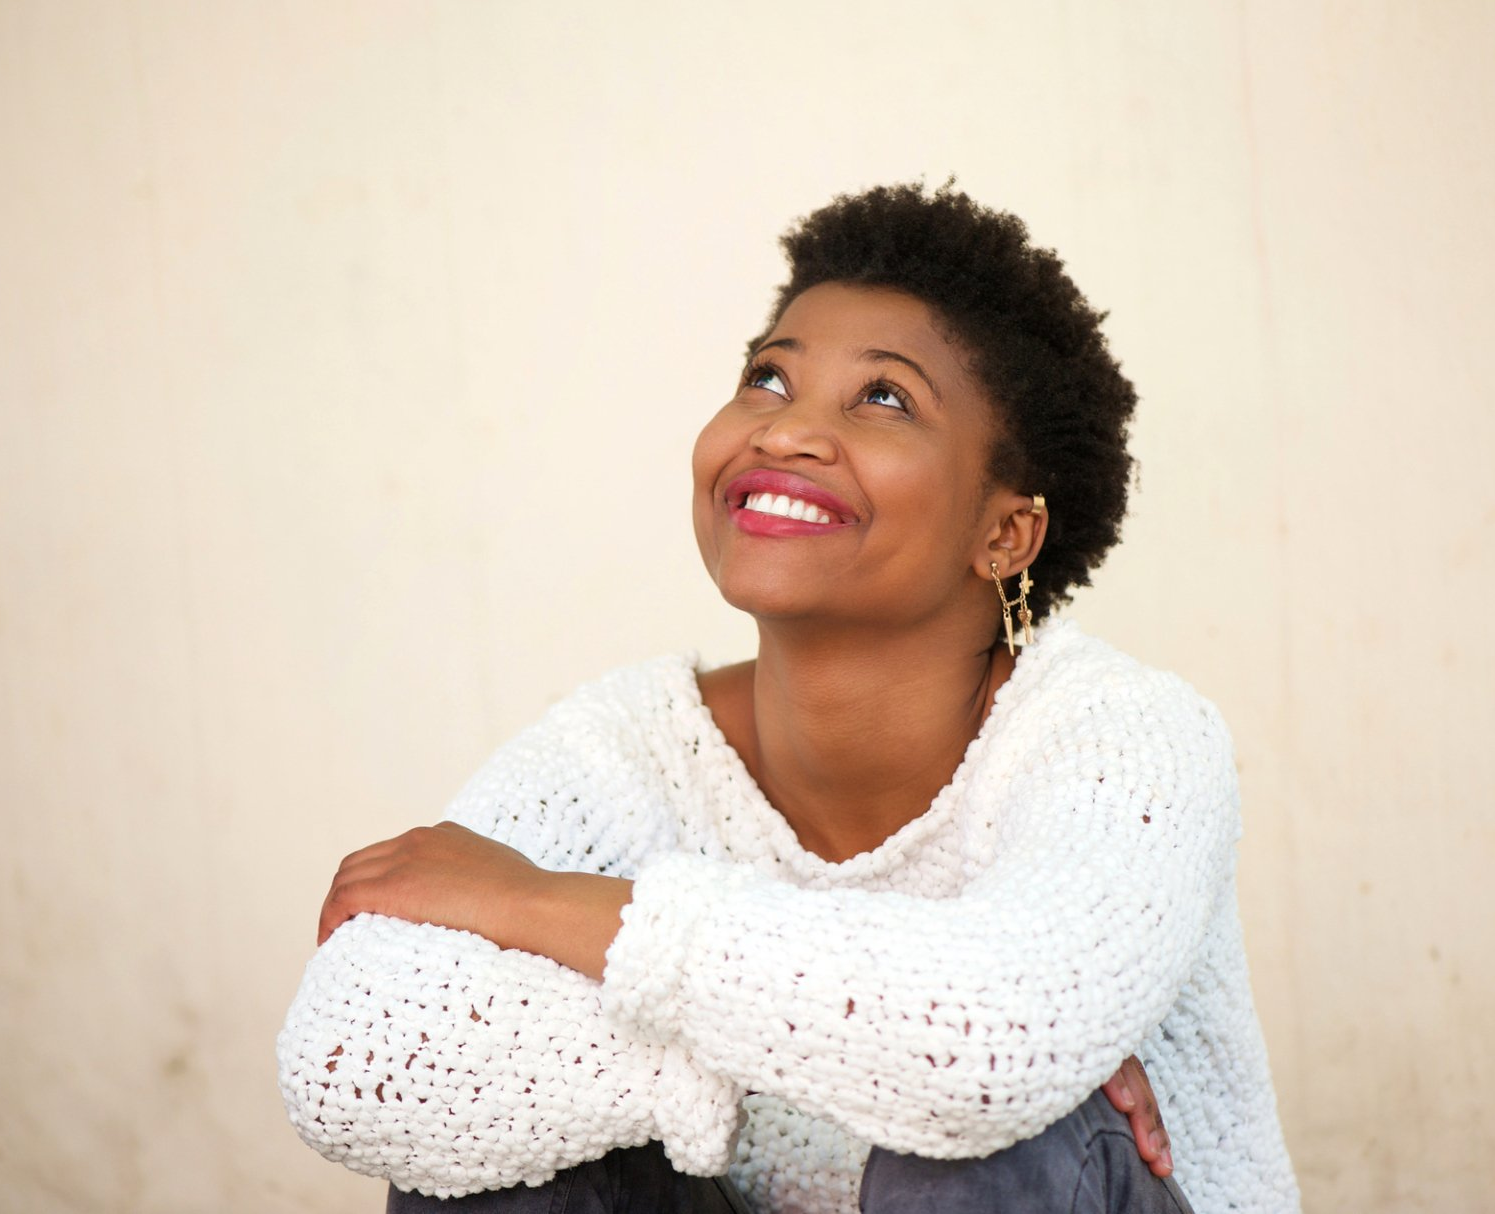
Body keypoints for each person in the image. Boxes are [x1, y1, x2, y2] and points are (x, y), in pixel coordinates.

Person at [277, 183, 1300, 1214]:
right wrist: (866, 1049)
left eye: (884, 397)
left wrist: (539, 908)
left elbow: (988, 1041)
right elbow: (352, 1053)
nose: (786, 431)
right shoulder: (626, 749)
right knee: (488, 1159)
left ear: (1005, 535)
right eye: (768, 377)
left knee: (991, 1141)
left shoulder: (1127, 739)